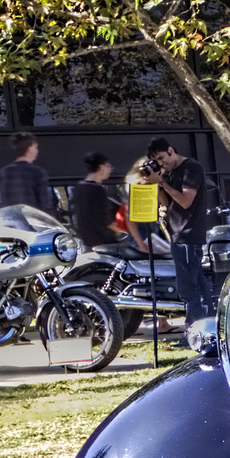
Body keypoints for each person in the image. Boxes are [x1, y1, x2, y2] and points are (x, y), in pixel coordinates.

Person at [136, 137, 214, 326]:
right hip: (176, 233)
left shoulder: (191, 168)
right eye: (157, 162)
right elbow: (167, 203)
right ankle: (207, 324)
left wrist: (161, 181)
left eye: (162, 158)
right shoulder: (169, 173)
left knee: (188, 287)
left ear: (171, 150)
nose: (162, 163)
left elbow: (186, 201)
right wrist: (154, 183)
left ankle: (193, 328)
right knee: (198, 283)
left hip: (188, 233)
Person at [68, 152, 121, 250]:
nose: (110, 170)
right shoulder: (97, 190)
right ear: (101, 167)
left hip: (86, 240)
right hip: (103, 241)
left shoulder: (79, 187)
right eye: (108, 166)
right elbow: (105, 219)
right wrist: (120, 231)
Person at [0, 131, 54, 212]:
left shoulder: (5, 172)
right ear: (29, 149)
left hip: (13, 219)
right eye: (36, 147)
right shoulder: (38, 172)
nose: (37, 150)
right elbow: (45, 202)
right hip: (33, 219)